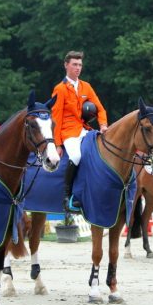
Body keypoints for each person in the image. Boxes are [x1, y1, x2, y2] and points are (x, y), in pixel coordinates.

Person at [51, 50, 108, 212]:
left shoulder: (86, 86)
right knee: (76, 155)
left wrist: (103, 124)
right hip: (68, 132)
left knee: (99, 151)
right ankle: (67, 195)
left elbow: (100, 109)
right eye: (74, 64)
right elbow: (56, 118)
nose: (78, 68)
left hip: (85, 129)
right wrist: (57, 144)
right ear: (66, 65)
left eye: (80, 65)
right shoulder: (60, 89)